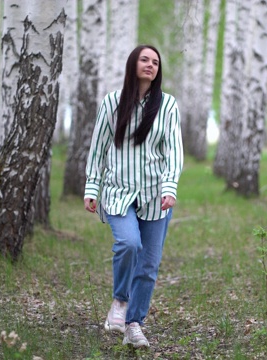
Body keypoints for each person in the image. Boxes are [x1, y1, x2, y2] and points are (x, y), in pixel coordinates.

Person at [83, 45, 183, 348]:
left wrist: (170, 187)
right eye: (144, 59)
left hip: (156, 195)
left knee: (149, 265)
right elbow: (98, 147)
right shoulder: (112, 102)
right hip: (117, 192)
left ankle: (134, 324)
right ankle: (120, 301)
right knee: (128, 243)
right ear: (133, 64)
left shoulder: (167, 106)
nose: (150, 65)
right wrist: (92, 187)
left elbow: (173, 151)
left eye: (155, 62)